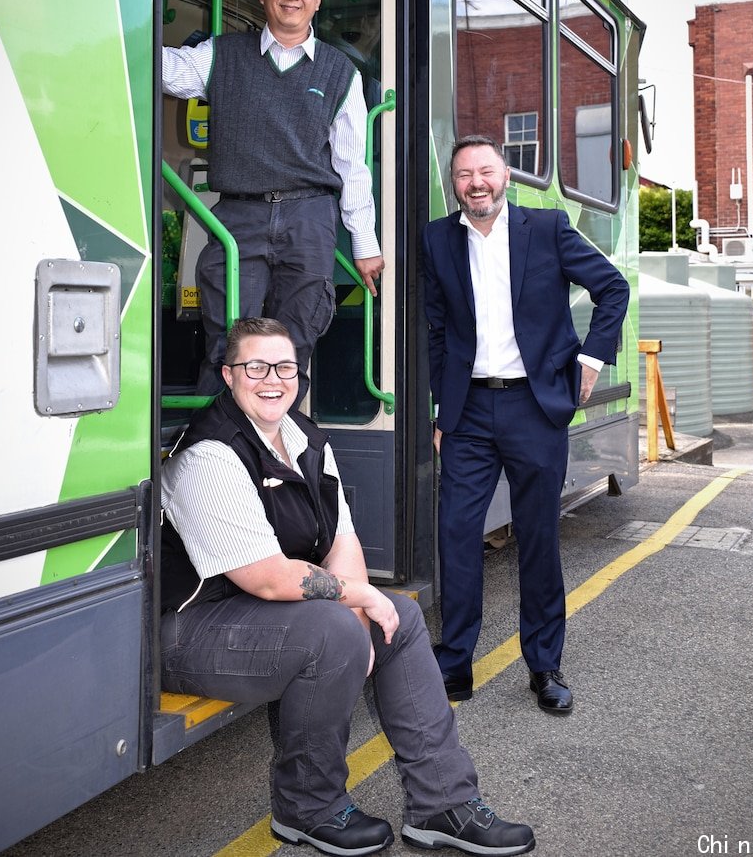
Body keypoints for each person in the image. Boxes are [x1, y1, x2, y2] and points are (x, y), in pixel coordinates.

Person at [160, 317, 535, 856]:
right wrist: (357, 602)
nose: (273, 379)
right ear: (228, 375)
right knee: (339, 625)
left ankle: (443, 805)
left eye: (285, 366)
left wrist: (362, 608)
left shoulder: (306, 439)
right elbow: (267, 579)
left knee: (398, 618)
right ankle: (306, 808)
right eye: (255, 367)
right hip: (192, 631)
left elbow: (342, 541)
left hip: (264, 617)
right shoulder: (211, 454)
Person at [422, 136, 630, 715]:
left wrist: (590, 361)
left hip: (535, 409)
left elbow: (613, 288)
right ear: (455, 184)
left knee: (538, 537)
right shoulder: (438, 239)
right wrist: (443, 409)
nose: (475, 182)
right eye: (464, 174)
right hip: (468, 414)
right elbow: (436, 331)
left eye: (485, 170)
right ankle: (454, 662)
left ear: (505, 175)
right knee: (457, 536)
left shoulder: (547, 228)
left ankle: (544, 666)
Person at [162, 0, 384, 396]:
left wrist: (364, 244)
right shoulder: (221, 54)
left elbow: (351, 165)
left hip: (309, 219)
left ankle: (280, 455)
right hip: (240, 216)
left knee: (294, 346)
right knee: (229, 345)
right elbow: (168, 72)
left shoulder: (342, 72)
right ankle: (219, 455)